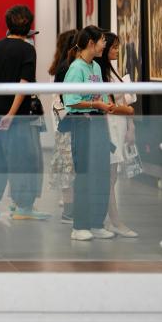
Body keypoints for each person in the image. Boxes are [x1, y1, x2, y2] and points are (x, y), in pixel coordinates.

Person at [0, 5, 48, 220]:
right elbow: (23, 85)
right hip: (16, 118)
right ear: (28, 26)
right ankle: (23, 207)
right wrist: (11, 114)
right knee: (22, 160)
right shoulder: (27, 50)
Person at [62, 25, 115, 241]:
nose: (105, 45)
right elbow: (71, 101)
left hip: (98, 123)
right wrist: (96, 104)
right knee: (84, 174)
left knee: (102, 174)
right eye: (102, 41)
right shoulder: (76, 69)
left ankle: (96, 222)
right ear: (91, 43)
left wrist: (106, 104)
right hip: (82, 124)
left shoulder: (96, 67)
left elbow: (101, 95)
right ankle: (80, 226)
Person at [95, 31, 138, 238]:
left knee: (112, 177)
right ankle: (114, 220)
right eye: (113, 47)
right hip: (109, 127)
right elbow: (108, 105)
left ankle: (109, 219)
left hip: (119, 126)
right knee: (110, 177)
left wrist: (130, 124)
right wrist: (128, 111)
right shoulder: (99, 72)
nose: (117, 51)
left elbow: (123, 100)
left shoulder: (113, 69)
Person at [48, 29, 78, 223]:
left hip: (62, 119)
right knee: (69, 165)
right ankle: (69, 209)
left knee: (68, 164)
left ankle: (70, 205)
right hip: (66, 120)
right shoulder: (65, 68)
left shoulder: (60, 66)